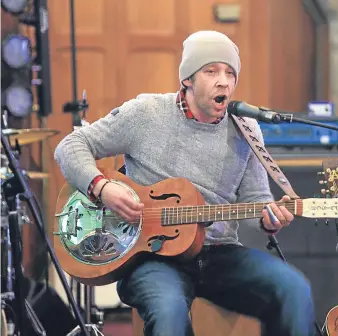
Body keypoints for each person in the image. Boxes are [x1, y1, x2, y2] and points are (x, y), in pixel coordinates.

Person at [54, 30, 315, 336]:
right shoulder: (146, 113)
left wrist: (270, 220)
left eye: (231, 73)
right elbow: (69, 147)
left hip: (220, 254)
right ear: (188, 79)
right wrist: (101, 187)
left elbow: (257, 200)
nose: (224, 81)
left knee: (295, 290)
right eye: (211, 71)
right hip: (151, 258)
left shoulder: (247, 129)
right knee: (169, 313)